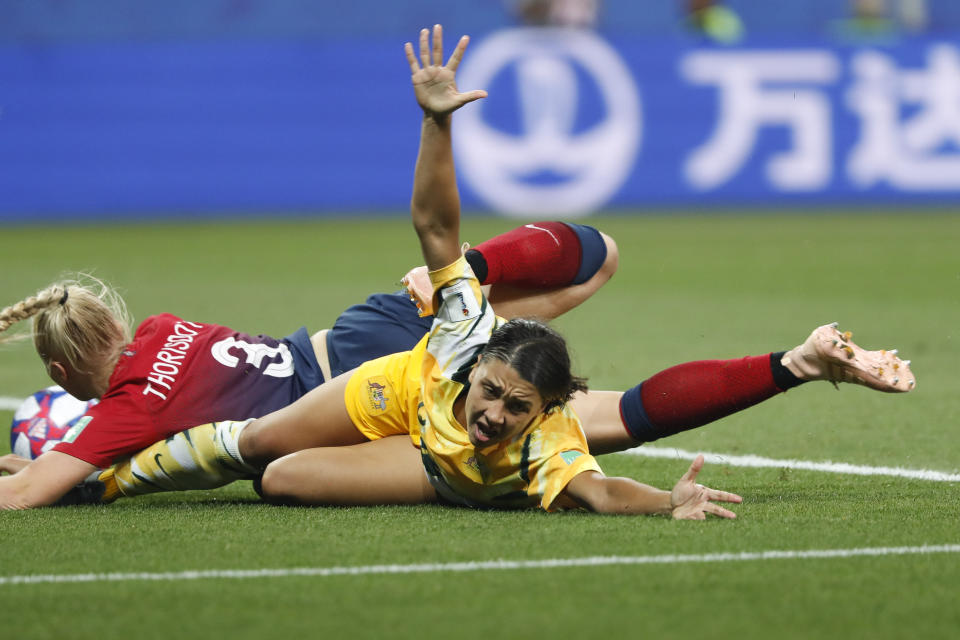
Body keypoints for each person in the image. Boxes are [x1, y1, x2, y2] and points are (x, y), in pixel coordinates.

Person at [92, 25, 914, 517]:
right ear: (480, 362)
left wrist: (669, 499)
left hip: (429, 464)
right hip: (394, 384)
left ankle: (799, 363)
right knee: (254, 445)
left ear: (547, 410)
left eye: (513, 407)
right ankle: (88, 475)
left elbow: (607, 477)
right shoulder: (459, 341)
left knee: (283, 482)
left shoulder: (545, 442)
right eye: (491, 393)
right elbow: (434, 226)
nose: (491, 412)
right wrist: (436, 127)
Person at [0, 216, 618, 509]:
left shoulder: (130, 408)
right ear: (116, 324)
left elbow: (33, 491)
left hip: (350, 397)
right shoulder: (162, 328)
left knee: (549, 425)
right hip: (360, 330)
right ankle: (476, 265)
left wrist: (41, 466)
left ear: (59, 376)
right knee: (596, 264)